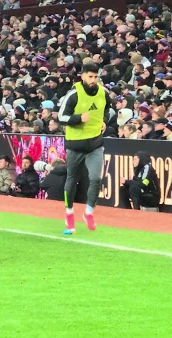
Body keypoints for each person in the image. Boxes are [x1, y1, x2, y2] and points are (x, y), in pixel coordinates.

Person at [58, 61, 113, 234]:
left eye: (96, 76)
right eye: (90, 76)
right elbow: (61, 117)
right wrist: (78, 118)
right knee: (72, 179)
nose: (93, 80)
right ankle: (69, 216)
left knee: (96, 178)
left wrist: (104, 121)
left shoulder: (103, 93)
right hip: (75, 145)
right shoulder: (74, 94)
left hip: (95, 144)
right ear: (82, 76)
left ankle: (89, 212)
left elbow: (109, 109)